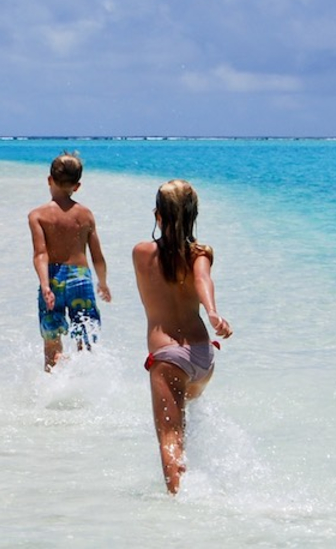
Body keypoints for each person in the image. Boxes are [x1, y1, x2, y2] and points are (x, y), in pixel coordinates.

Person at [133, 179, 233, 494]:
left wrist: (212, 307)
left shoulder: (141, 252)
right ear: (194, 215)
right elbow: (202, 279)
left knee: (170, 437)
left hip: (168, 358)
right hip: (203, 357)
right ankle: (197, 476)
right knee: (184, 418)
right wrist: (212, 311)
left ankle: (179, 505)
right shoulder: (201, 253)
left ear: (157, 215)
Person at [28, 152, 111, 372]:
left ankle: (56, 370)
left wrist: (45, 285)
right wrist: (102, 283)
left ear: (49, 180)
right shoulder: (85, 215)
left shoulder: (37, 215)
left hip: (53, 279)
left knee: (52, 342)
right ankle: (83, 385)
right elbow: (97, 256)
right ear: (78, 186)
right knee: (86, 342)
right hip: (81, 278)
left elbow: (40, 254)